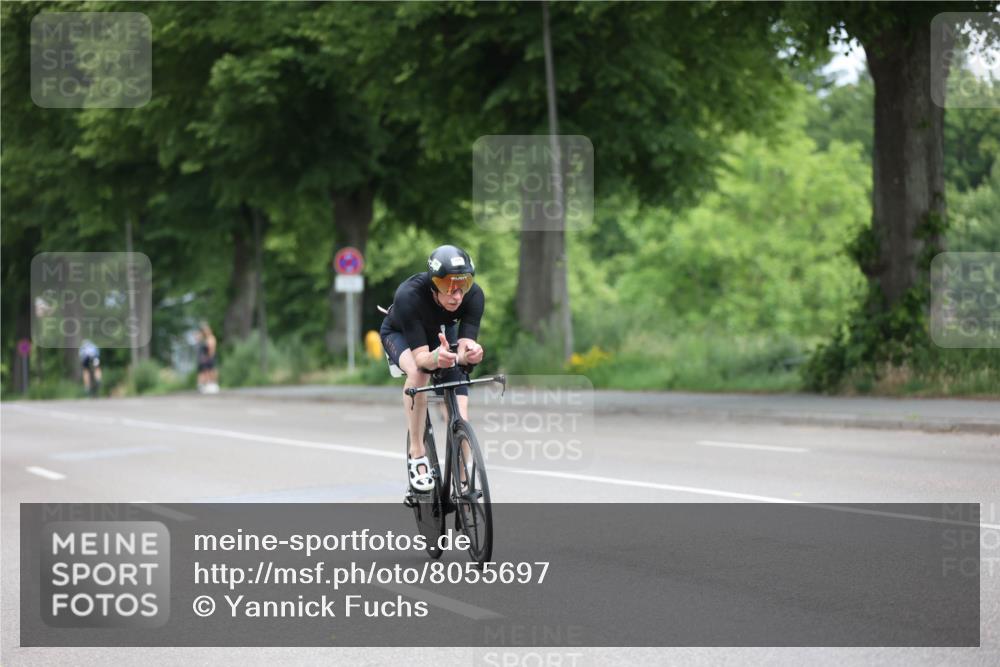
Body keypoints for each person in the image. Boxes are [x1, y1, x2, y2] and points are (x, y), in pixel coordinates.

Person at [380, 245, 485, 492]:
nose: (456, 294)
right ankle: (417, 453)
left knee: (460, 411)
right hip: (402, 334)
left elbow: (466, 343)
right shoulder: (409, 295)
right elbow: (422, 359)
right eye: (448, 285)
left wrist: (471, 352)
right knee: (419, 375)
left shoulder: (474, 296)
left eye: (463, 284)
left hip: (440, 333)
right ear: (433, 283)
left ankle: (463, 482)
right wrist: (437, 358)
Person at [196, 322, 219, 394]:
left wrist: (209, 357)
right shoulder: (204, 339)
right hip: (205, 357)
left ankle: (213, 384)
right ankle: (207, 385)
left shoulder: (211, 338)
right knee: (206, 371)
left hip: (210, 357)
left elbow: (211, 349)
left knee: (211, 370)